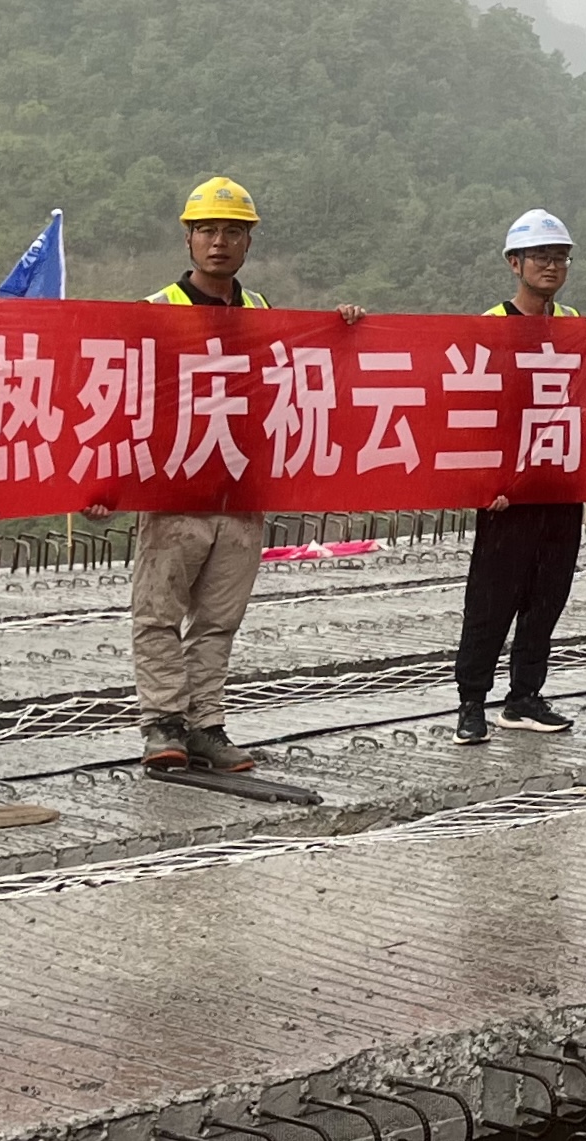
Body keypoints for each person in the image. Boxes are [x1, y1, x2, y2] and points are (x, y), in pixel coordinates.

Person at [120, 177, 364, 775]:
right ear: (189, 238)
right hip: (175, 493)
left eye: (232, 231)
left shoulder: (261, 316)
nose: (219, 242)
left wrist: (343, 327)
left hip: (240, 494)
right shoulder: (154, 314)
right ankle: (163, 723)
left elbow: (303, 374)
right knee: (158, 613)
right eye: (208, 230)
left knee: (218, 621)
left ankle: (205, 724)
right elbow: (120, 398)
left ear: (249, 241)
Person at [455, 209, 586, 744]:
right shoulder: (491, 326)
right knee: (491, 600)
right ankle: (471, 701)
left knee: (548, 596)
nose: (552, 265)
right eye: (541, 256)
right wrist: (486, 482)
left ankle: (524, 695)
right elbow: (471, 410)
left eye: (560, 257)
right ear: (514, 263)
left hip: (561, 485)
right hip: (507, 492)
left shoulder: (576, 327)